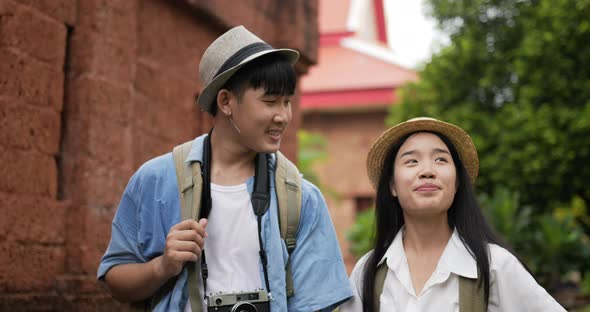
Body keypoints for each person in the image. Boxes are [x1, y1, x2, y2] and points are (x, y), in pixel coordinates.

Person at [97, 25, 352, 312]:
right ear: (226, 101)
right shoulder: (156, 180)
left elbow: (318, 303)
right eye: (270, 102)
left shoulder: (300, 196)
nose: (282, 116)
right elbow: (115, 279)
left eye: (287, 102)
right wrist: (163, 266)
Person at [340, 117, 566, 311]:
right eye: (411, 161)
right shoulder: (367, 273)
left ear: (458, 182)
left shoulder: (495, 266)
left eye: (441, 159)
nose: (427, 171)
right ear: (392, 186)